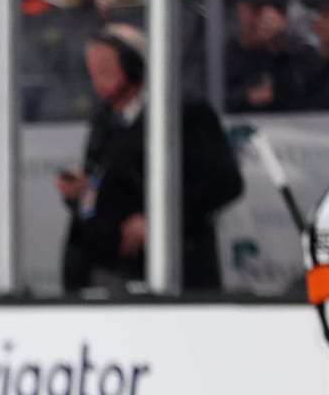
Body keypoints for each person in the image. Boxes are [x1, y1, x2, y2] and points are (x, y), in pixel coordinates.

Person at [60, 24, 244, 292]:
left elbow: (224, 183)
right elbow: (101, 175)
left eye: (105, 72)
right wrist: (78, 190)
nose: (97, 83)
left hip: (175, 271)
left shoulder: (186, 112)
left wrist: (159, 221)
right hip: (106, 270)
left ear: (134, 66)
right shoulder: (104, 119)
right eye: (93, 73)